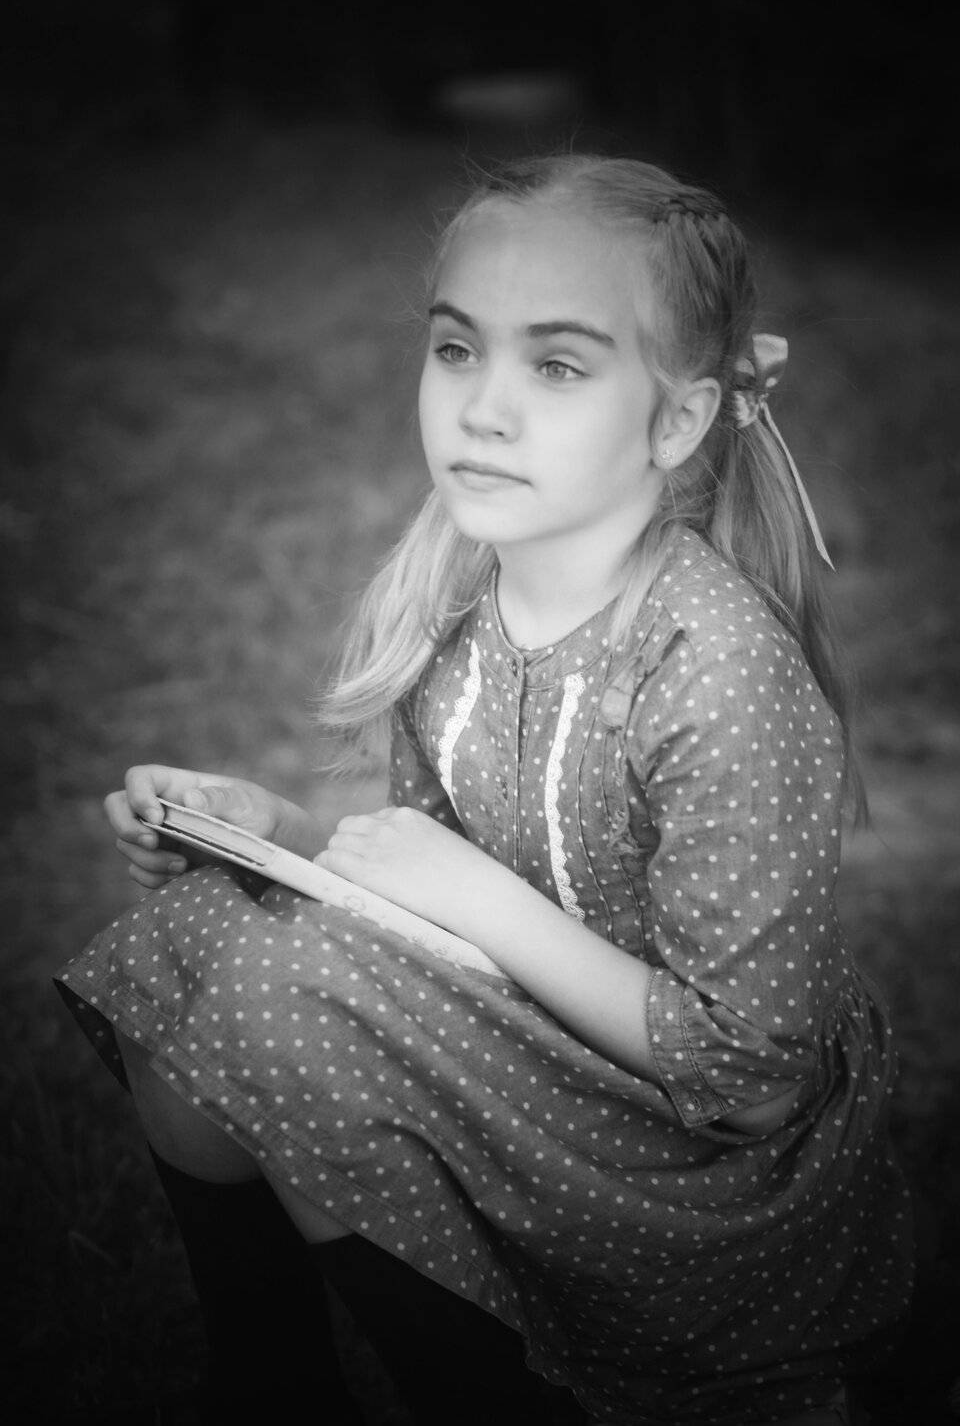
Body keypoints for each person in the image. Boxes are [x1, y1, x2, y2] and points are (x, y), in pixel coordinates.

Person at [55, 154, 914, 1426]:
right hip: (536, 1058)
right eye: (457, 350)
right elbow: (446, 888)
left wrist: (467, 896)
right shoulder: (462, 597)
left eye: (556, 367)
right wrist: (283, 842)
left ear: (676, 422)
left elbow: (753, 1080)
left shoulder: (717, 669)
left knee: (282, 1014)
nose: (483, 410)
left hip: (696, 1173)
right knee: (194, 943)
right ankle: (270, 1390)